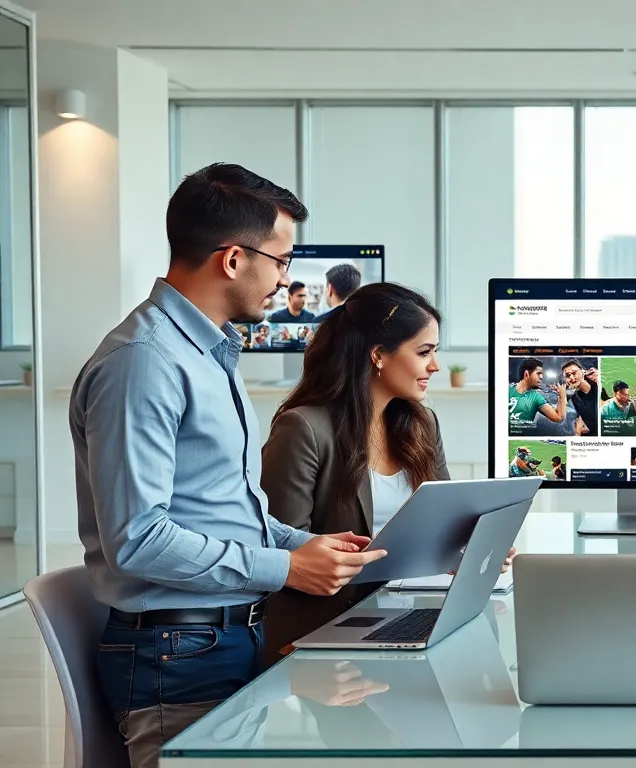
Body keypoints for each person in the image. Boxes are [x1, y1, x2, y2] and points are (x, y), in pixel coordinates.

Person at [70, 162, 386, 768]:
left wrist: (310, 545)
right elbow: (137, 540)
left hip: (219, 637)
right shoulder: (145, 362)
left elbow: (227, 508)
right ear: (234, 259)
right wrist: (287, 568)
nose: (287, 278)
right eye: (282, 260)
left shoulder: (208, 352)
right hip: (177, 653)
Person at [260, 283, 513, 666]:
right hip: (326, 635)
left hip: (408, 618)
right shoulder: (305, 429)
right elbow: (281, 553)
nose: (435, 366)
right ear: (378, 355)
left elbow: (446, 525)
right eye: (424, 352)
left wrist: (471, 549)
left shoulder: (420, 424)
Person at [508, 357, 566, 431]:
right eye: (538, 373)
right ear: (526, 374)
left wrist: (562, 395)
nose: (541, 377)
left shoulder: (536, 397)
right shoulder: (506, 390)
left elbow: (558, 417)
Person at [561, 359, 599, 436]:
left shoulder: (598, 387)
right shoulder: (575, 398)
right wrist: (578, 433)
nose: (571, 378)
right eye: (567, 375)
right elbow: (582, 416)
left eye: (574, 373)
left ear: (583, 372)